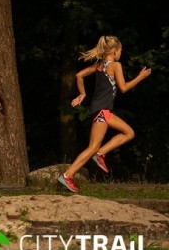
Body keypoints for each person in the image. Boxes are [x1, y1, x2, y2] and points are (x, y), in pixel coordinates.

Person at [58, 35, 151, 193]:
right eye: (120, 51)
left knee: (129, 133)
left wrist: (82, 94)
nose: (120, 54)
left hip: (102, 110)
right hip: (102, 111)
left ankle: (101, 153)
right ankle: (68, 175)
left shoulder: (99, 65)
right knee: (93, 147)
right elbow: (124, 88)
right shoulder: (115, 65)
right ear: (115, 51)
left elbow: (79, 75)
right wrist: (140, 77)